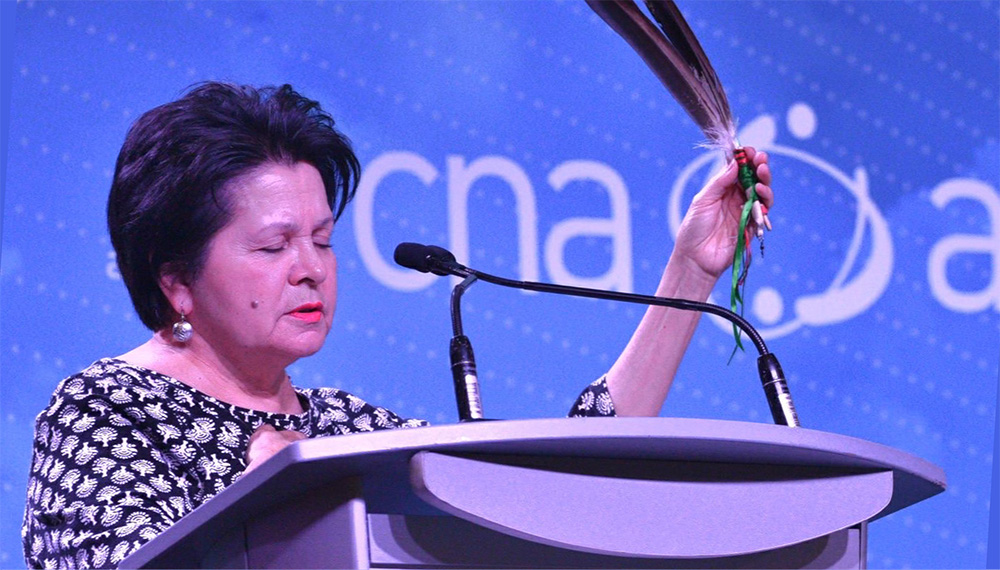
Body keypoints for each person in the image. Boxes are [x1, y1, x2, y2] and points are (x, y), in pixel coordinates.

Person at [22, 82, 772, 569]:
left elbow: (564, 498)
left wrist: (690, 271)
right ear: (176, 279)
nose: (310, 268)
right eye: (273, 245)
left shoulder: (350, 430)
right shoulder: (107, 410)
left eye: (322, 239)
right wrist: (266, 506)